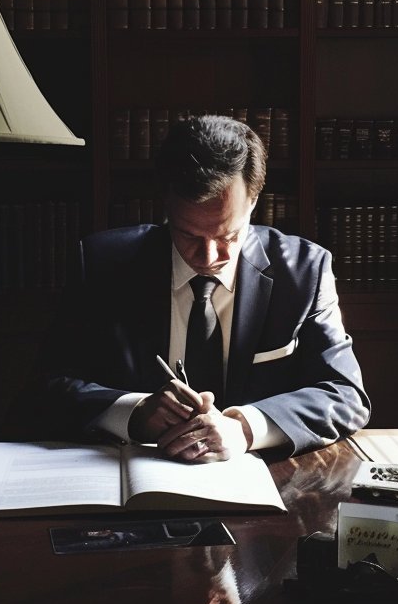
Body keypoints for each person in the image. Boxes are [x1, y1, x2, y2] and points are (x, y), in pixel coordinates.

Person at [24, 114, 370, 462]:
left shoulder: (305, 272)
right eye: (188, 235)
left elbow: (345, 394)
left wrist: (244, 428)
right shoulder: (102, 264)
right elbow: (46, 389)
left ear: (253, 201)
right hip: (134, 472)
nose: (208, 257)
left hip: (263, 478)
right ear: (166, 205)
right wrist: (135, 411)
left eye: (228, 235)